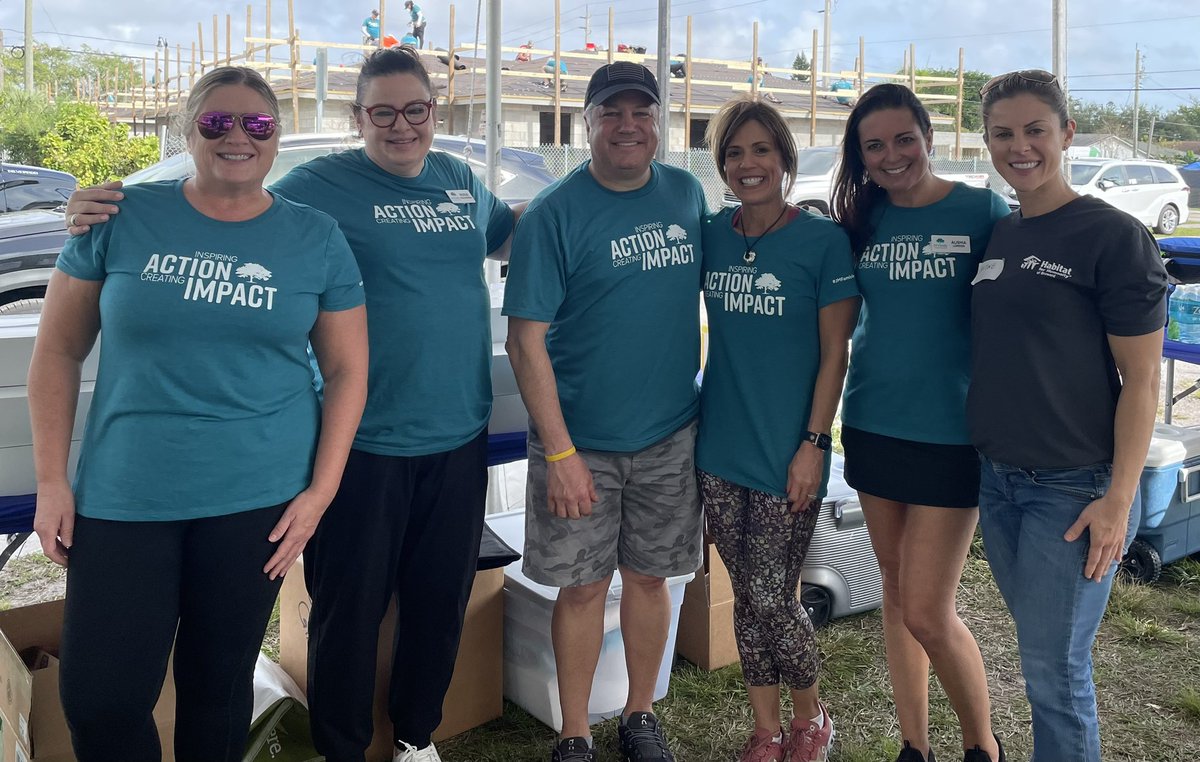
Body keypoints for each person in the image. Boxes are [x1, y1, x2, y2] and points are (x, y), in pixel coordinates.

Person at [65, 46, 517, 762]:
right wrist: (93, 202)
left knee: (439, 602)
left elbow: (513, 234)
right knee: (349, 612)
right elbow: (233, 193)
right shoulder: (318, 189)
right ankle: (342, 746)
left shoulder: (461, 182)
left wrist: (587, 209)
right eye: (382, 112)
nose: (402, 126)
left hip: (458, 432)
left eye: (416, 110)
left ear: (436, 111)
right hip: (362, 443)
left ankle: (415, 736)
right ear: (357, 118)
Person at [32, 65, 368, 762]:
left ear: (275, 139)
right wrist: (52, 482)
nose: (237, 136)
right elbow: (57, 351)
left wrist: (321, 493)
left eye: (258, 124)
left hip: (255, 501)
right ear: (189, 132)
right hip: (126, 495)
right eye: (216, 122)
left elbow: (346, 370)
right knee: (100, 697)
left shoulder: (316, 238)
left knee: (217, 691)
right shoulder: (119, 216)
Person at [503, 61, 707, 762]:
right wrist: (558, 453)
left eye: (641, 112)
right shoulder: (555, 214)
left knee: (651, 580)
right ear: (586, 123)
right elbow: (524, 340)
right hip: (578, 443)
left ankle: (641, 715)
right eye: (611, 113)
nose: (627, 126)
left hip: (670, 433)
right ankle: (575, 731)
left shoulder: (685, 194)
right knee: (584, 589)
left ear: (660, 123)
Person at [970, 69, 1166, 762]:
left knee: (1054, 675)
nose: (1019, 147)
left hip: (1073, 490)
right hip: (999, 484)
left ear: (1066, 134)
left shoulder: (1112, 237)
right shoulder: (1002, 233)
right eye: (1003, 133)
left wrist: (1118, 497)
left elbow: (1143, 381)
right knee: (1041, 656)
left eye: (1034, 131)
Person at [830, 82, 1010, 762]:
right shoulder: (864, 220)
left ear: (928, 137)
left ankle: (980, 746)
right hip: (874, 423)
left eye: (904, 138)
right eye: (874, 145)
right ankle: (915, 744)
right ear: (862, 157)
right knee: (896, 593)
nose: (892, 154)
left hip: (952, 433)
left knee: (930, 609)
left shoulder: (981, 209)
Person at [698, 95, 859, 762]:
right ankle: (765, 730)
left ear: (786, 160)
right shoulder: (711, 232)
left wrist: (814, 446)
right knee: (747, 596)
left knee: (772, 595)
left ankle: (810, 716)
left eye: (761, 149)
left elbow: (835, 354)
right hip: (717, 446)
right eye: (734, 153)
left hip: (789, 451)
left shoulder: (822, 241)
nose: (747, 163)